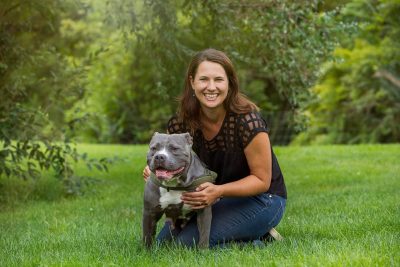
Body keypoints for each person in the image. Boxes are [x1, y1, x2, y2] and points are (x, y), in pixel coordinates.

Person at [142, 48, 287, 248]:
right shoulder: (180, 124)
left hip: (262, 199)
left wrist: (218, 191)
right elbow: (178, 164)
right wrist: (158, 171)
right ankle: (241, 230)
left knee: (187, 245)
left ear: (230, 83)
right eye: (203, 79)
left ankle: (258, 240)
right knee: (164, 246)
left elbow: (262, 181)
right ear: (192, 82)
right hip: (212, 198)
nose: (211, 87)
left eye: (218, 79)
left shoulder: (248, 122)